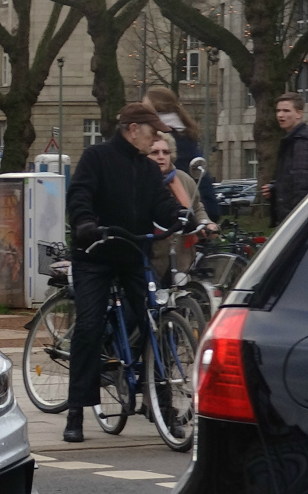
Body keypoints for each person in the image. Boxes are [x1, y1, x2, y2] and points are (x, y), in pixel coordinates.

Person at [63, 103, 189, 443]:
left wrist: (181, 216)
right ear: (132, 129)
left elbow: (161, 204)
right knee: (89, 325)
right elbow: (79, 195)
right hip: (95, 255)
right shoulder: (97, 158)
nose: (156, 138)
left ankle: (164, 406)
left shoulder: (148, 170)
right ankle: (76, 409)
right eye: (152, 132)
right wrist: (85, 222)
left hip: (133, 255)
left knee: (154, 322)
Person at [143, 86, 221, 219]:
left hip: (186, 207)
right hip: (201, 203)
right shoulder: (183, 132)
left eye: (145, 105)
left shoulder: (169, 136)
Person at [148, 132, 216, 282]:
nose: (161, 156)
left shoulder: (184, 178)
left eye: (165, 152)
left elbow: (197, 208)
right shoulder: (141, 180)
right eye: (154, 152)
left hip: (183, 257)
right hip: (153, 257)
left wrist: (206, 223)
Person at [262, 92, 308, 226]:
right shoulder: (291, 140)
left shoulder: (301, 142)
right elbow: (291, 179)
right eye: (278, 111)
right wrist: (275, 188)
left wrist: (296, 221)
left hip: (296, 221)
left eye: (286, 111)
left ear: (299, 114)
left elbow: (302, 185)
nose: (280, 115)